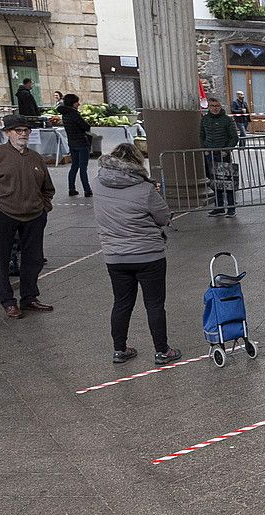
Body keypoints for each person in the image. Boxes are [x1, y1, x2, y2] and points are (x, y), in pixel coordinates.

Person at [93, 143, 180, 365]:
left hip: (114, 256)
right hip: (148, 255)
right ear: (136, 162)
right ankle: (162, 351)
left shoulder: (98, 184)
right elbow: (163, 217)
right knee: (154, 304)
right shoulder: (145, 189)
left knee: (121, 302)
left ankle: (119, 350)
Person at [0, 114, 55, 319]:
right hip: (2, 214)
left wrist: (45, 207)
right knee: (1, 258)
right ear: (7, 133)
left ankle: (29, 297)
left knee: (33, 259)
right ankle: (8, 302)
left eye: (26, 130)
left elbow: (47, 188)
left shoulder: (36, 158)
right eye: (18, 130)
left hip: (34, 215)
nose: (23, 134)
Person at [200, 96, 240, 217]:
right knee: (213, 181)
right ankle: (219, 207)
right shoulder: (205, 119)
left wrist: (227, 150)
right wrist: (204, 149)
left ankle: (231, 207)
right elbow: (201, 135)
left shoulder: (227, 120)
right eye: (212, 106)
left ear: (220, 106)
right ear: (209, 107)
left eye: (217, 106)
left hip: (223, 154)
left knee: (227, 182)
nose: (215, 108)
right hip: (210, 154)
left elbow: (234, 137)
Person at [58, 93, 93, 197]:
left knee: (74, 166)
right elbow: (85, 126)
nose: (79, 104)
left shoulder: (64, 114)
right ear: (72, 103)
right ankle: (87, 190)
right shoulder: (74, 113)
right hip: (81, 143)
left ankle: (71, 188)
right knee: (83, 167)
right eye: (77, 102)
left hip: (72, 143)